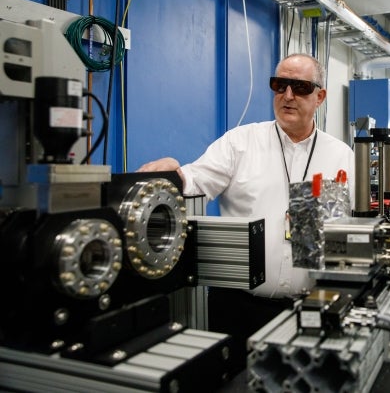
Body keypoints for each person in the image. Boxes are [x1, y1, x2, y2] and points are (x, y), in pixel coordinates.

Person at [137, 53, 354, 371]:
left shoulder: (339, 155)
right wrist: (175, 174)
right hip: (236, 309)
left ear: (320, 96)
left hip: (309, 309)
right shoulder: (241, 143)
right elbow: (198, 178)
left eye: (300, 87)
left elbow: (343, 228)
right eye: (279, 85)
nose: (288, 95)